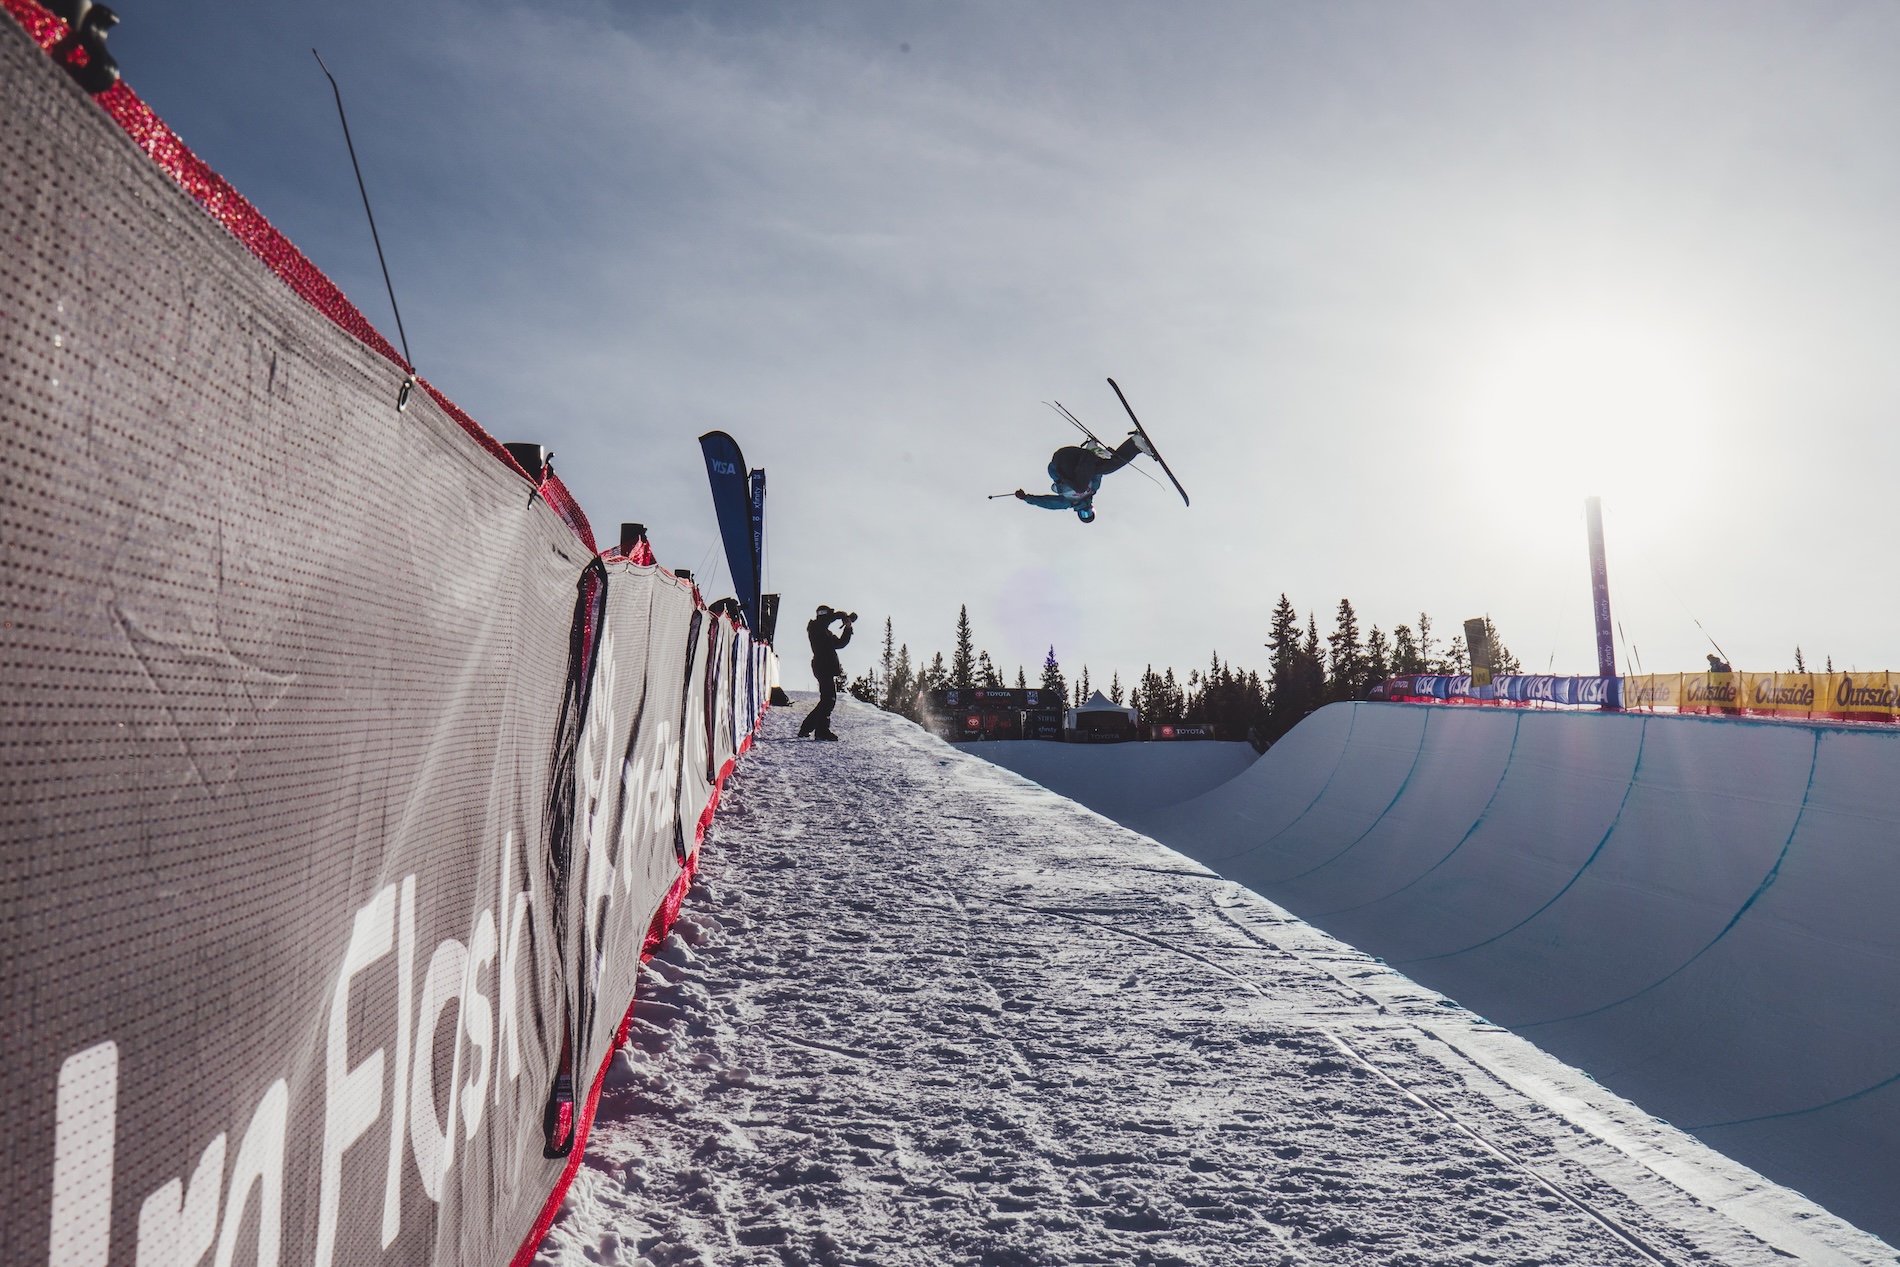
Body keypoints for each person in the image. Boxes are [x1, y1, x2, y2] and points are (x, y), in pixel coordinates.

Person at [1014, 431, 1154, 523]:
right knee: (1109, 468)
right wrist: (1108, 461)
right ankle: (1135, 444)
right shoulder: (1093, 489)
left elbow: (1047, 503)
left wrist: (1027, 498)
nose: (1085, 511)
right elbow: (1098, 473)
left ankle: (1091, 452)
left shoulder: (1068, 502)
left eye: (1084, 514)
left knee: (1080, 486)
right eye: (1088, 513)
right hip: (1077, 459)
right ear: (1092, 507)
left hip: (1063, 462)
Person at [798, 605, 855, 740]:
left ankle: (807, 727)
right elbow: (826, 620)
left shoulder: (824, 631)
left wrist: (847, 628)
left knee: (827, 699)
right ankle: (821, 730)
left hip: (825, 667)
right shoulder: (816, 628)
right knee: (828, 700)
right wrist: (841, 615)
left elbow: (840, 643)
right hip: (822, 666)